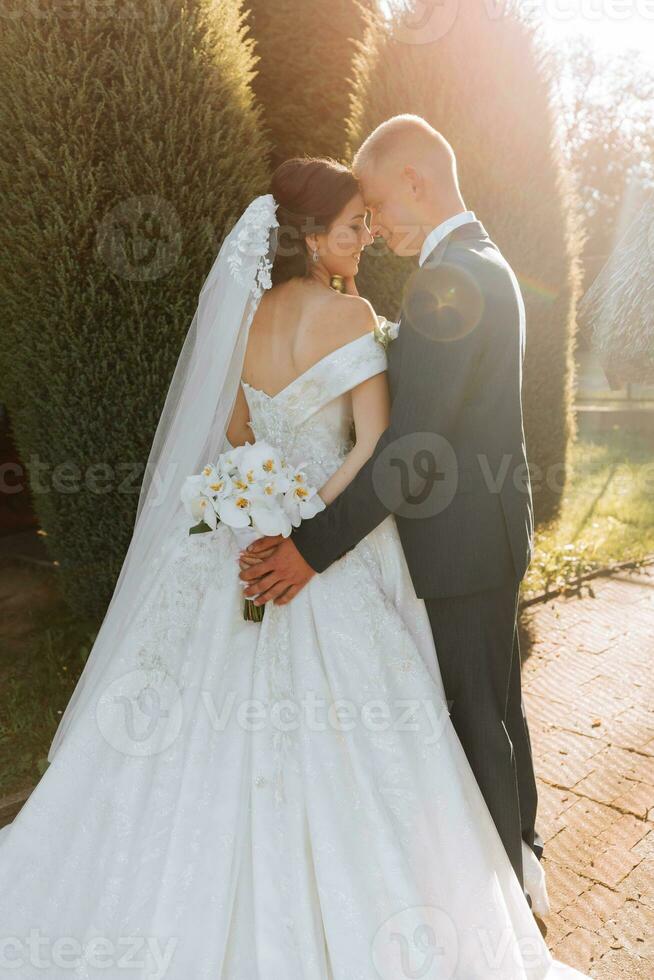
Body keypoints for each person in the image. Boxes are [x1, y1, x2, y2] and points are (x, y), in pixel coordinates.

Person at [0, 149, 586, 979]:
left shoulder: (246, 320)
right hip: (319, 543)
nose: (366, 237)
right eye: (353, 227)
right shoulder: (352, 319)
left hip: (248, 545)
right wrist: (309, 517)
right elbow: (382, 445)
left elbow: (237, 433)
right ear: (313, 238)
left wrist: (265, 498)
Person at [242, 115, 542, 897]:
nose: (373, 226)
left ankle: (503, 903)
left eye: (376, 204)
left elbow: (409, 450)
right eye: (357, 217)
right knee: (497, 715)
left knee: (479, 722)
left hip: (460, 548)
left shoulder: (452, 275)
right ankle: (526, 863)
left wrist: (311, 548)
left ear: (416, 181)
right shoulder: (478, 261)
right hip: (483, 539)